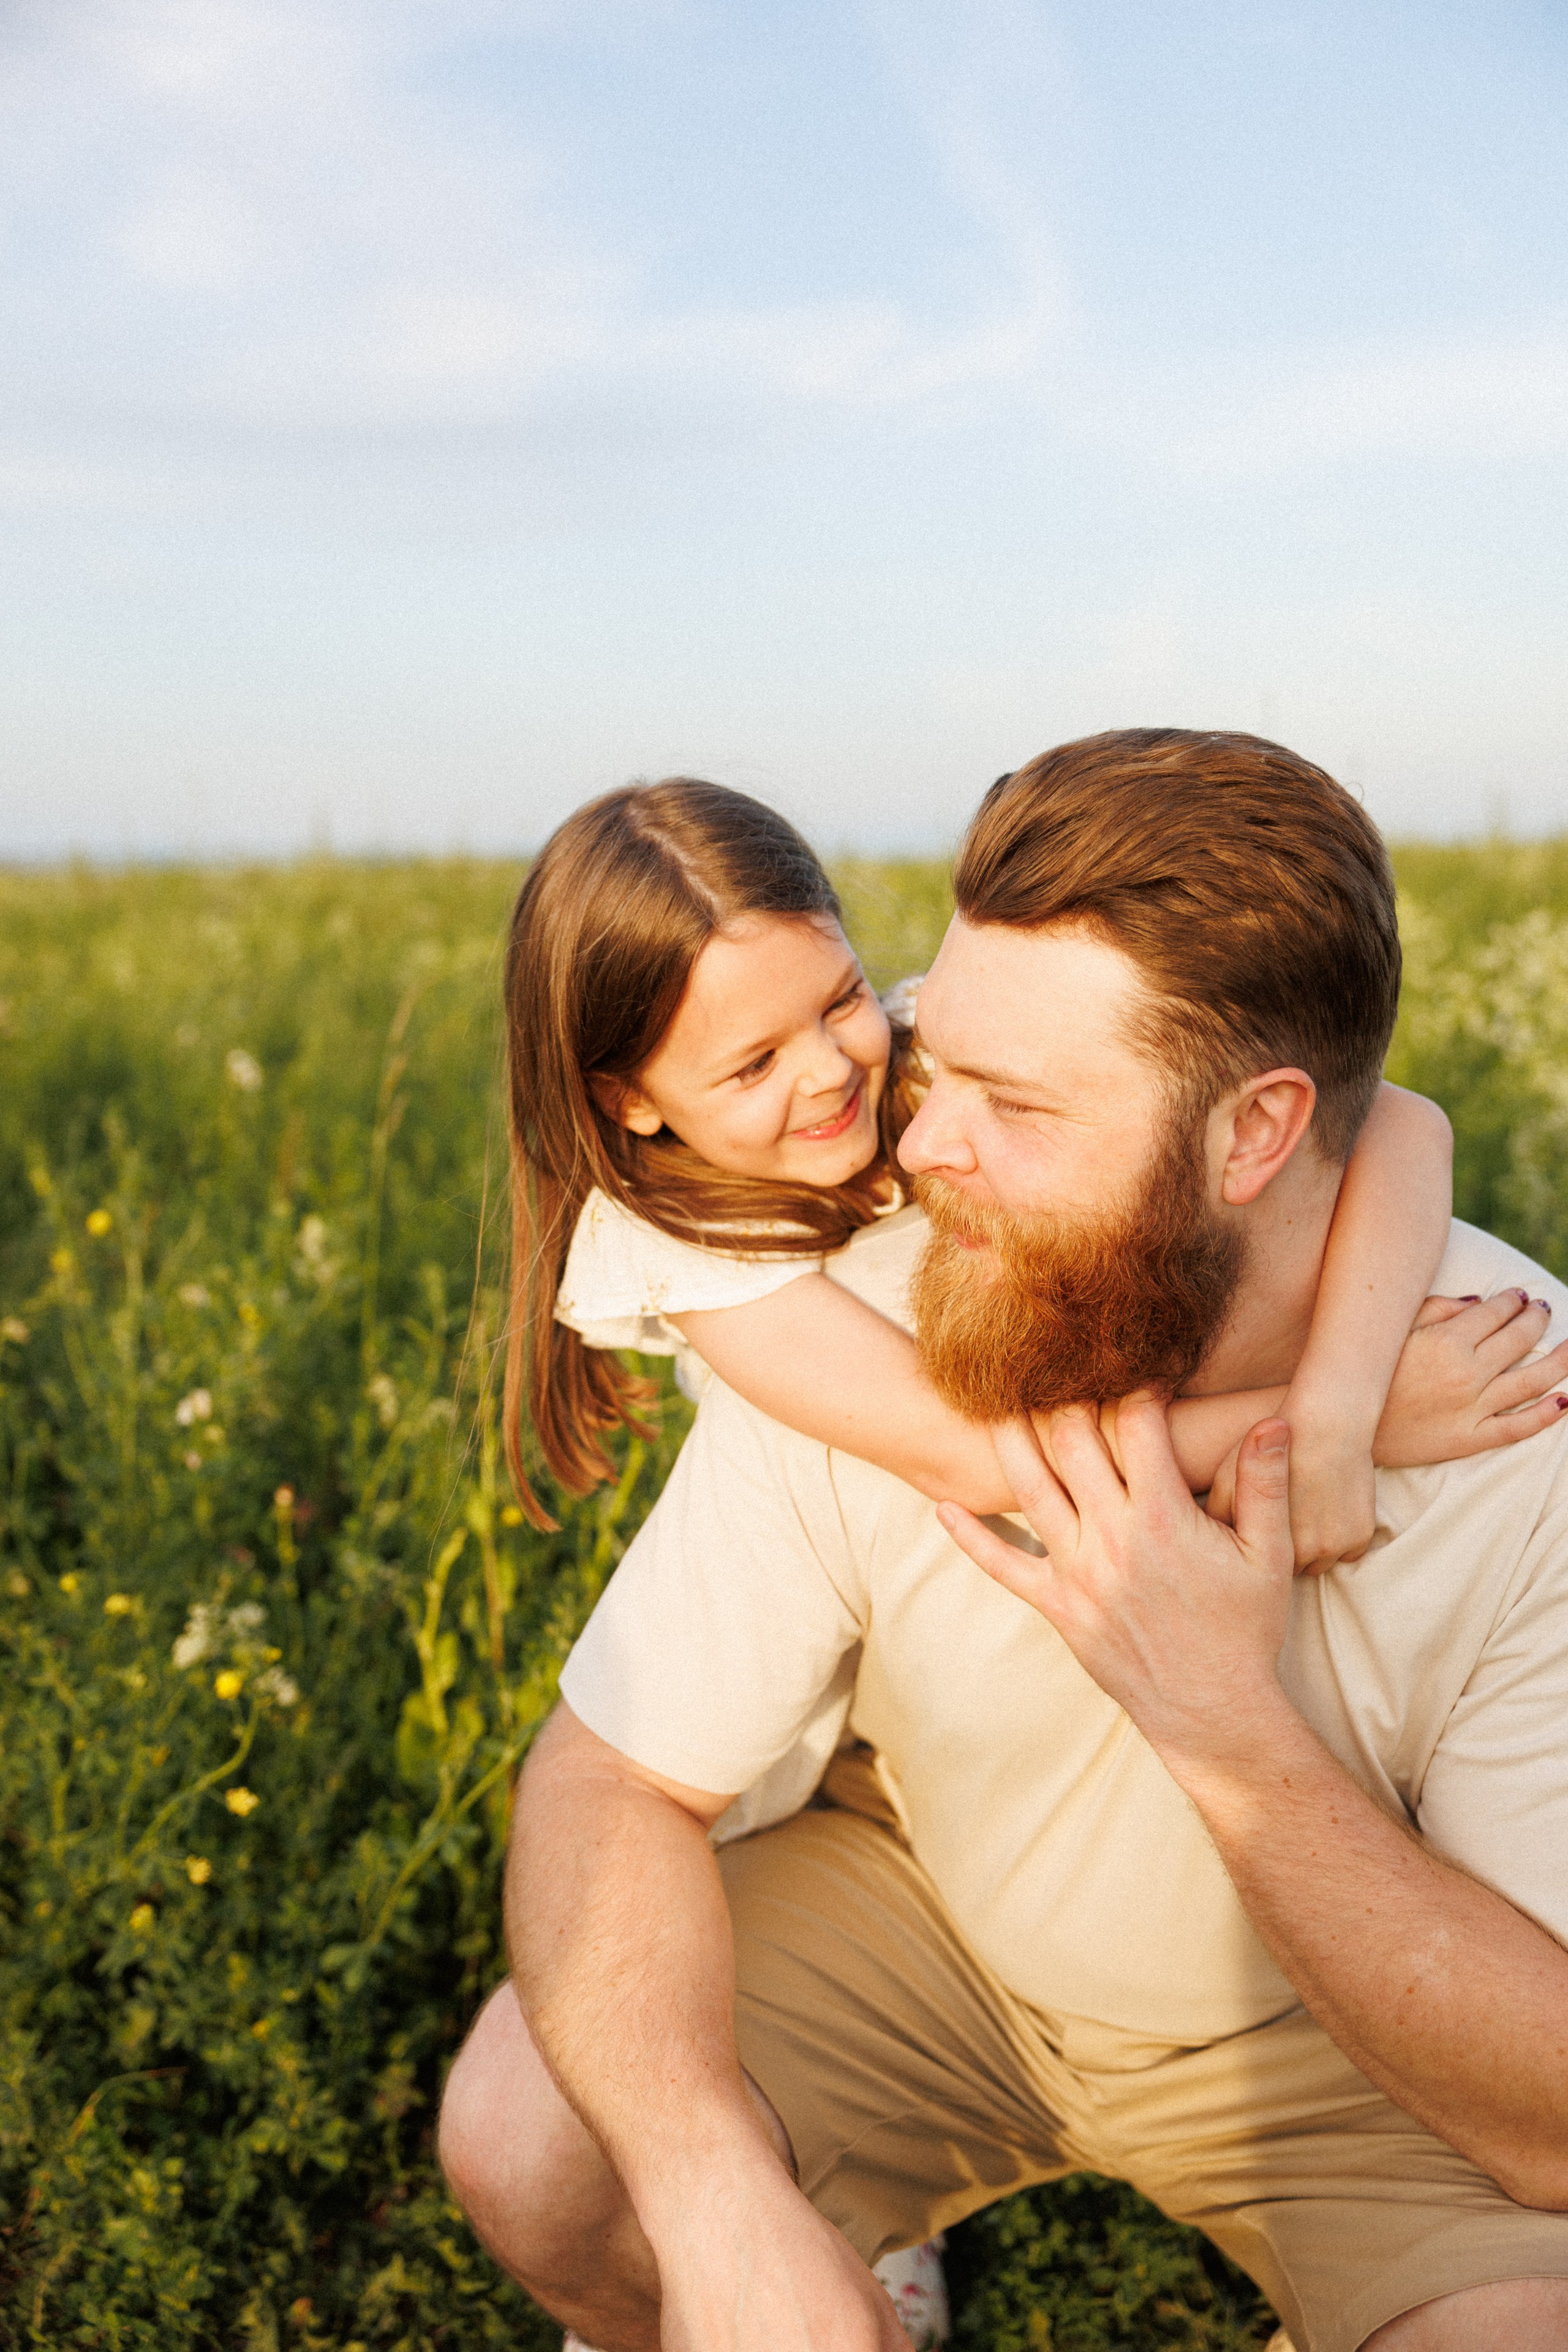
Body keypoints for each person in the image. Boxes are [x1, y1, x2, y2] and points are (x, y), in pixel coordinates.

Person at [443, 732, 1568, 2352]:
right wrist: (716, 2193)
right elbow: (612, 1774)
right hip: (935, 1937)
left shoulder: (1514, 1409)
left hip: (1367, 2064)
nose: (906, 1142)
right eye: (939, 1062)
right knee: (542, 2140)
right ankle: (831, 2271)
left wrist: (1226, 1718)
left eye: (1010, 1102)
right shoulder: (865, 1289)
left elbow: (1549, 2116)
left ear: (1256, 1136)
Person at [506, 775, 1500, 1574]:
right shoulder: (671, 1248)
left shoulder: (925, 1046)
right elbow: (969, 1462)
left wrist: (1343, 1394)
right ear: (629, 1099)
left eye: (838, 998)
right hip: (836, 1603)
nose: (826, 1069)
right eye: (755, 1065)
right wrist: (1313, 1430)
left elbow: (1398, 1121)